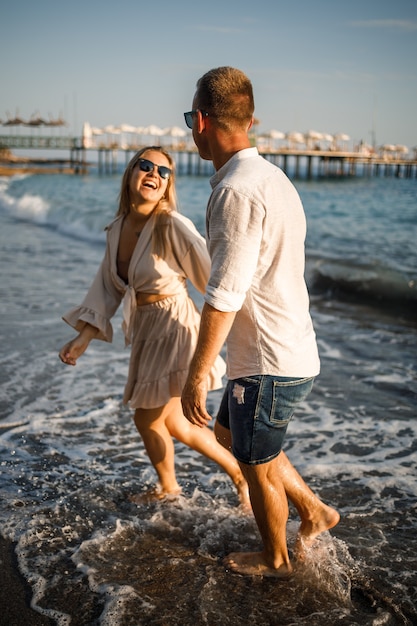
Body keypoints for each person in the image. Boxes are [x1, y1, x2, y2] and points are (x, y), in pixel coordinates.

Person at [181, 67, 339, 577]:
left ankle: (276, 559)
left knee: (255, 464)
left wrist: (197, 372)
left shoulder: (236, 191)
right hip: (285, 348)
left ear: (202, 120)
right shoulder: (273, 178)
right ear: (252, 120)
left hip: (267, 362)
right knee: (233, 436)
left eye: (190, 120)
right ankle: (314, 511)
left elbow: (224, 294)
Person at [59, 146, 249, 507]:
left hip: (177, 327)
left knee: (146, 418)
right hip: (147, 330)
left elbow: (214, 277)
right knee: (177, 424)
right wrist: (83, 337)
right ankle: (231, 475)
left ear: (167, 186)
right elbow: (107, 286)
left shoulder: (171, 225)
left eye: (163, 172)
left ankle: (171, 486)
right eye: (145, 166)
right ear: (131, 173)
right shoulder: (116, 229)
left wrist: (243, 325)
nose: (154, 174)